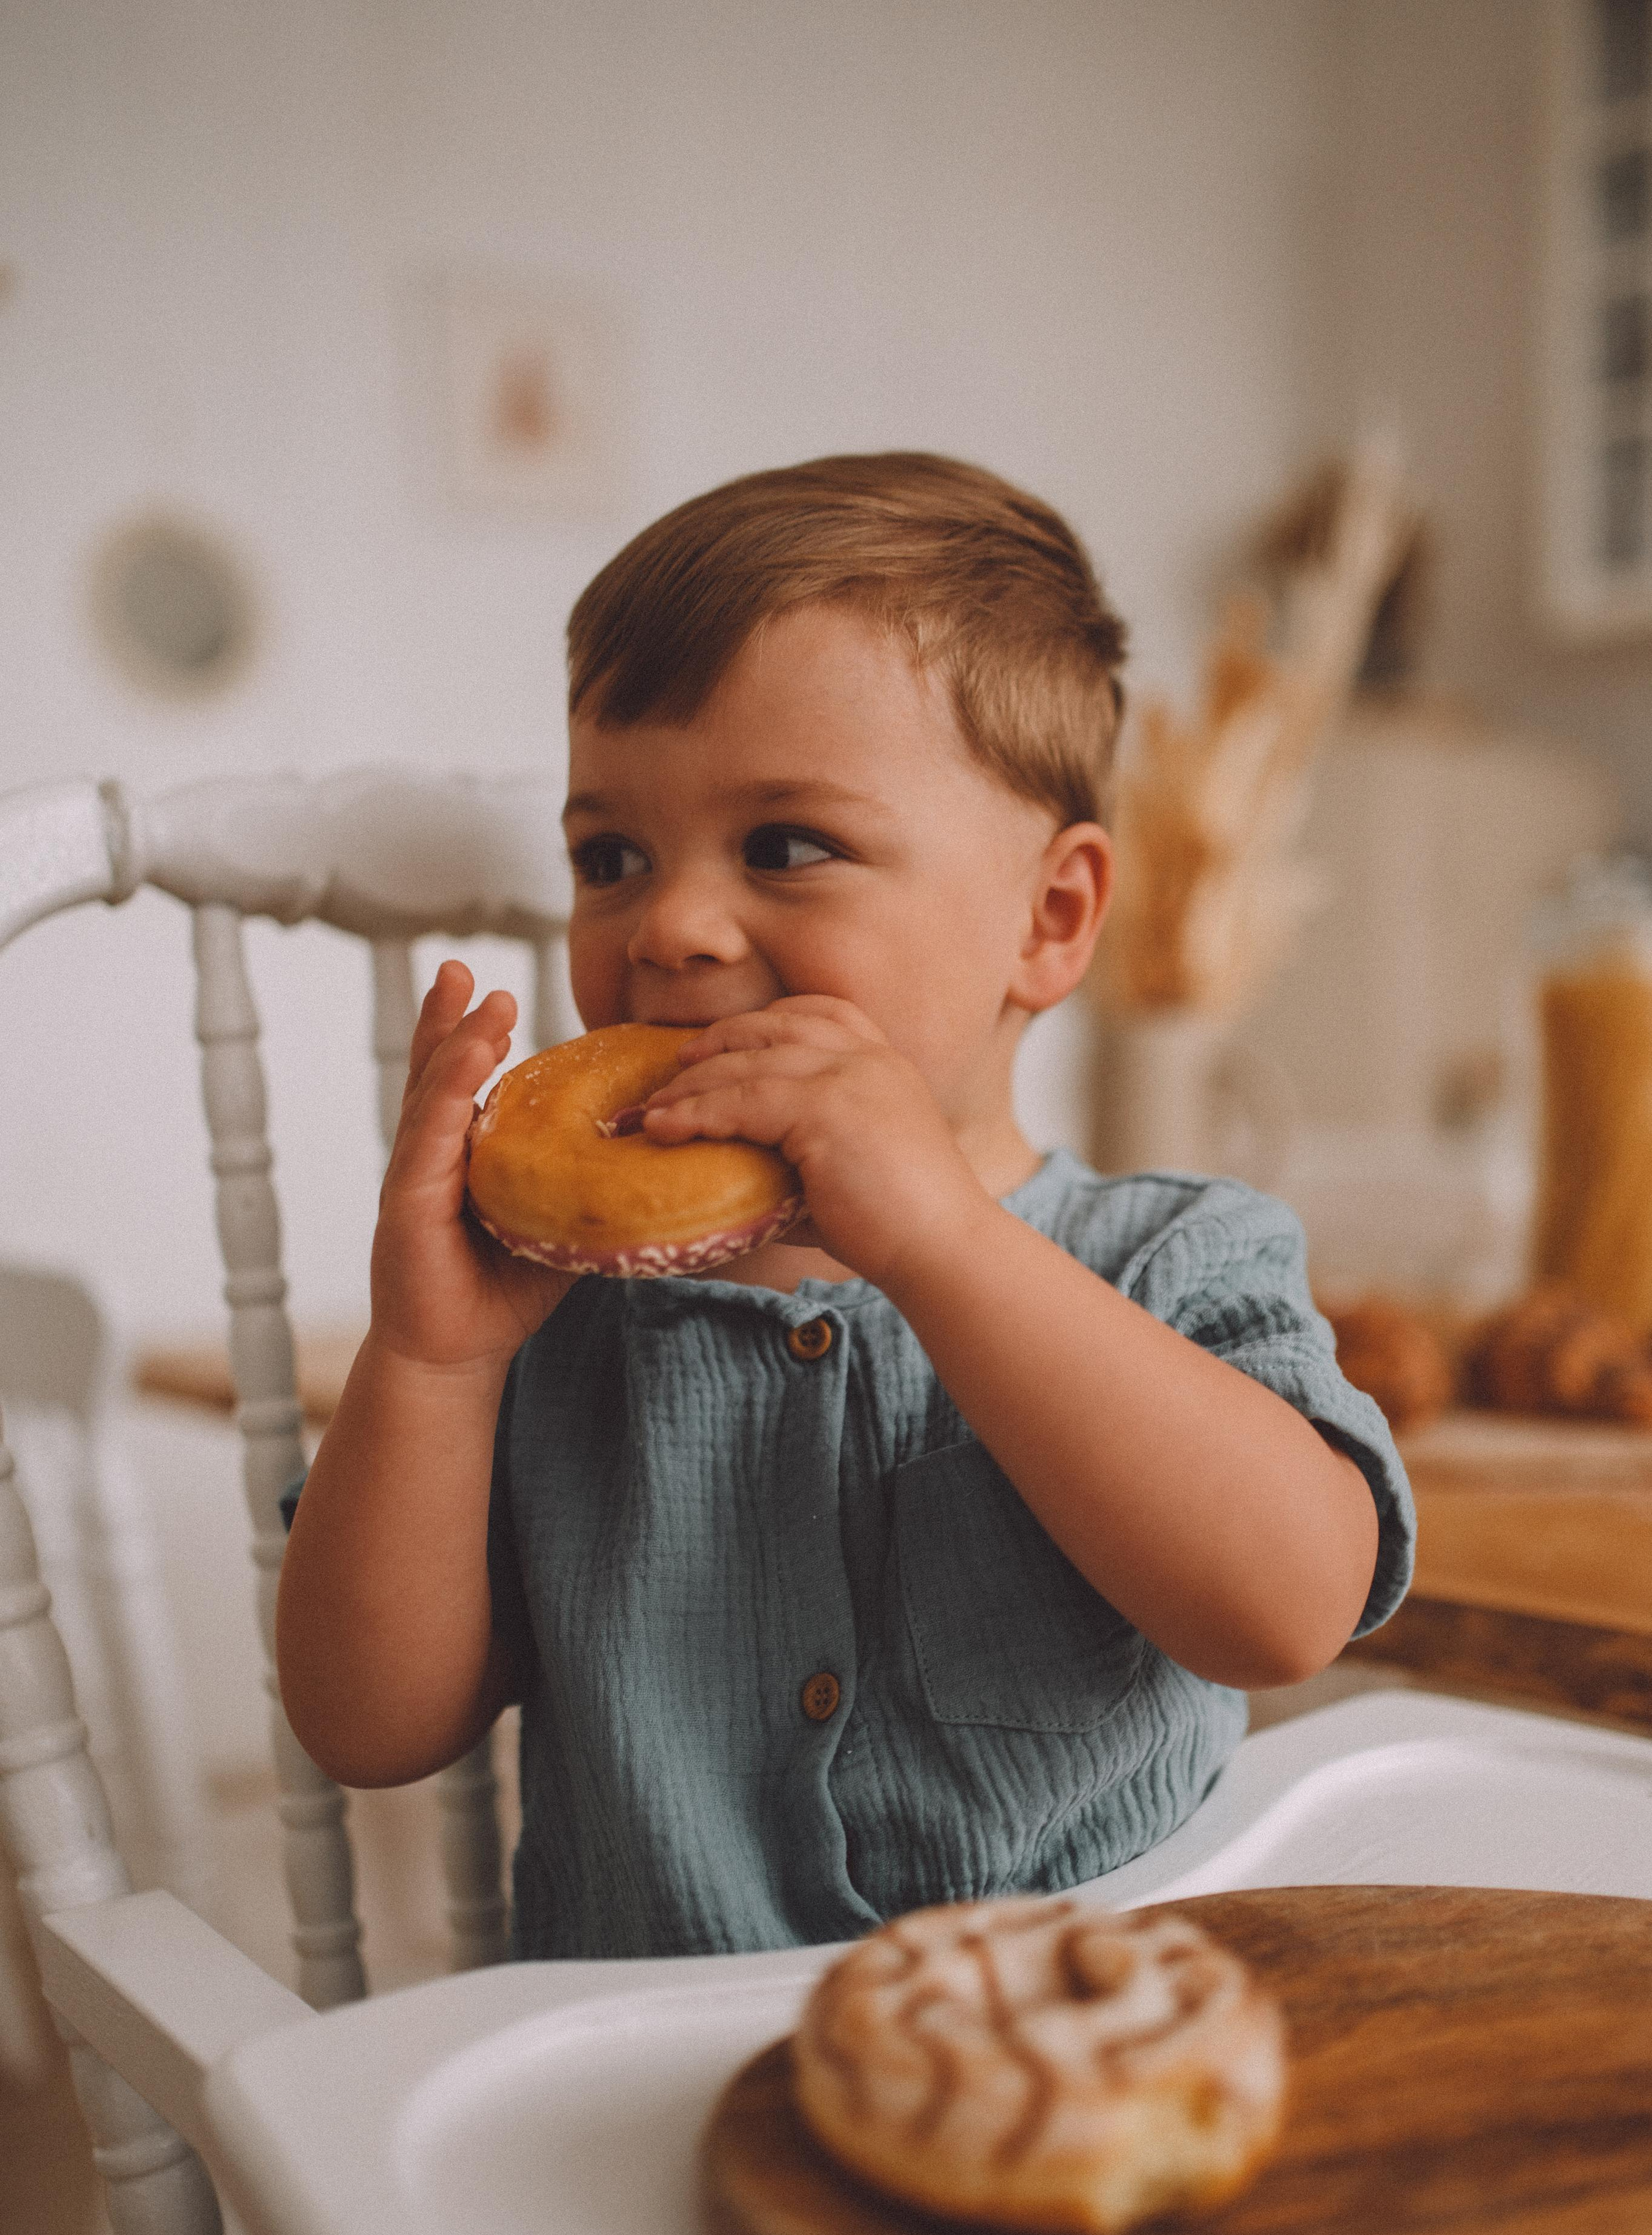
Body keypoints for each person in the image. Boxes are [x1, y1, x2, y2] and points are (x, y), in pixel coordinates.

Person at [276, 452, 1413, 1961]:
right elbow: (364, 1724)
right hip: (640, 2068)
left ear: (1048, 918)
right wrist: (431, 1362)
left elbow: (1286, 1610)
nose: (668, 926)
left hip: (1080, 2049)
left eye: (785, 846)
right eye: (610, 856)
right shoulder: (546, 1329)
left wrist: (938, 1241)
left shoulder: (1173, 1258)